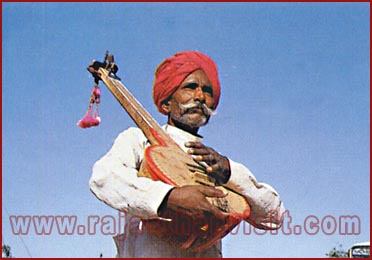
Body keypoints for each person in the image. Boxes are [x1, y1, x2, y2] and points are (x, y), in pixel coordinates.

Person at [89, 51, 284, 258]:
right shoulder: (139, 140)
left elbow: (273, 216)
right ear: (166, 104)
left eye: (207, 91)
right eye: (190, 87)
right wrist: (168, 198)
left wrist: (231, 172)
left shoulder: (214, 164)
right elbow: (104, 178)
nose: (200, 96)